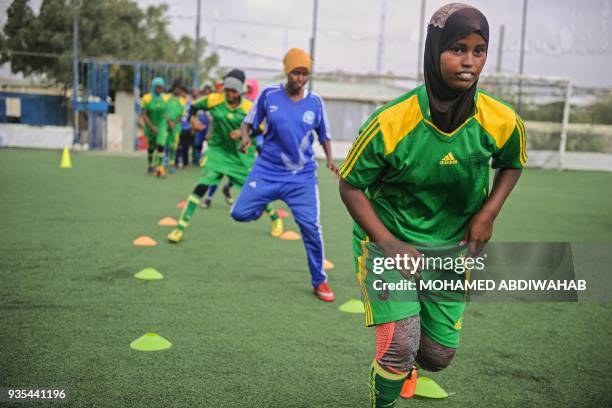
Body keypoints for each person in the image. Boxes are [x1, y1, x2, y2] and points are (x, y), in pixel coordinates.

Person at [338, 4, 526, 406]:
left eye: (479, 50)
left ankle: (407, 361)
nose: (469, 62)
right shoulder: (391, 122)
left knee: (437, 356)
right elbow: (350, 185)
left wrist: (488, 213)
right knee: (399, 347)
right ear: (434, 49)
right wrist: (388, 244)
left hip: (452, 251)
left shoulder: (502, 119)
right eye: (457, 48)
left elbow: (512, 162)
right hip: (390, 245)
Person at [231, 48, 339, 302]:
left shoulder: (315, 102)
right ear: (287, 71)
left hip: (301, 178)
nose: (300, 78)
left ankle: (319, 281)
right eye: (295, 73)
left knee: (311, 227)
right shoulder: (269, 95)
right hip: (267, 170)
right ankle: (262, 204)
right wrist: (246, 138)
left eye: (304, 74)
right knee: (239, 213)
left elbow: (324, 135)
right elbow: (247, 124)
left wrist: (331, 160)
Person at [167, 69, 282, 243]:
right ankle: (179, 228)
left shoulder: (248, 107)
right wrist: (192, 120)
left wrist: (244, 134)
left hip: (239, 156)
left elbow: (260, 128)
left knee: (255, 190)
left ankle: (276, 220)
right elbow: (192, 107)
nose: (229, 94)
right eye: (227, 89)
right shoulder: (214, 99)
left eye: (234, 90)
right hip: (217, 152)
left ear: (241, 91)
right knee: (201, 185)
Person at [140, 77, 168, 177]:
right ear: (153, 87)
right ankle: (150, 166)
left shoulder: (165, 98)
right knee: (151, 146)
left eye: (161, 87)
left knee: (161, 145)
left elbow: (166, 113)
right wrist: (151, 126)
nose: (159, 89)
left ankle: (160, 168)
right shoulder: (146, 98)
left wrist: (167, 123)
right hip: (150, 123)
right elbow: (143, 114)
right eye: (157, 87)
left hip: (161, 124)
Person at [165, 81, 187, 173]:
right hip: (165, 125)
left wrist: (174, 123)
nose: (177, 90)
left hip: (176, 126)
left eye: (179, 88)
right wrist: (169, 121)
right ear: (173, 88)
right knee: (164, 143)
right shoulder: (166, 98)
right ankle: (162, 163)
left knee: (174, 146)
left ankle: (171, 164)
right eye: (176, 88)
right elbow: (163, 110)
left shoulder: (182, 100)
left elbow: (182, 114)